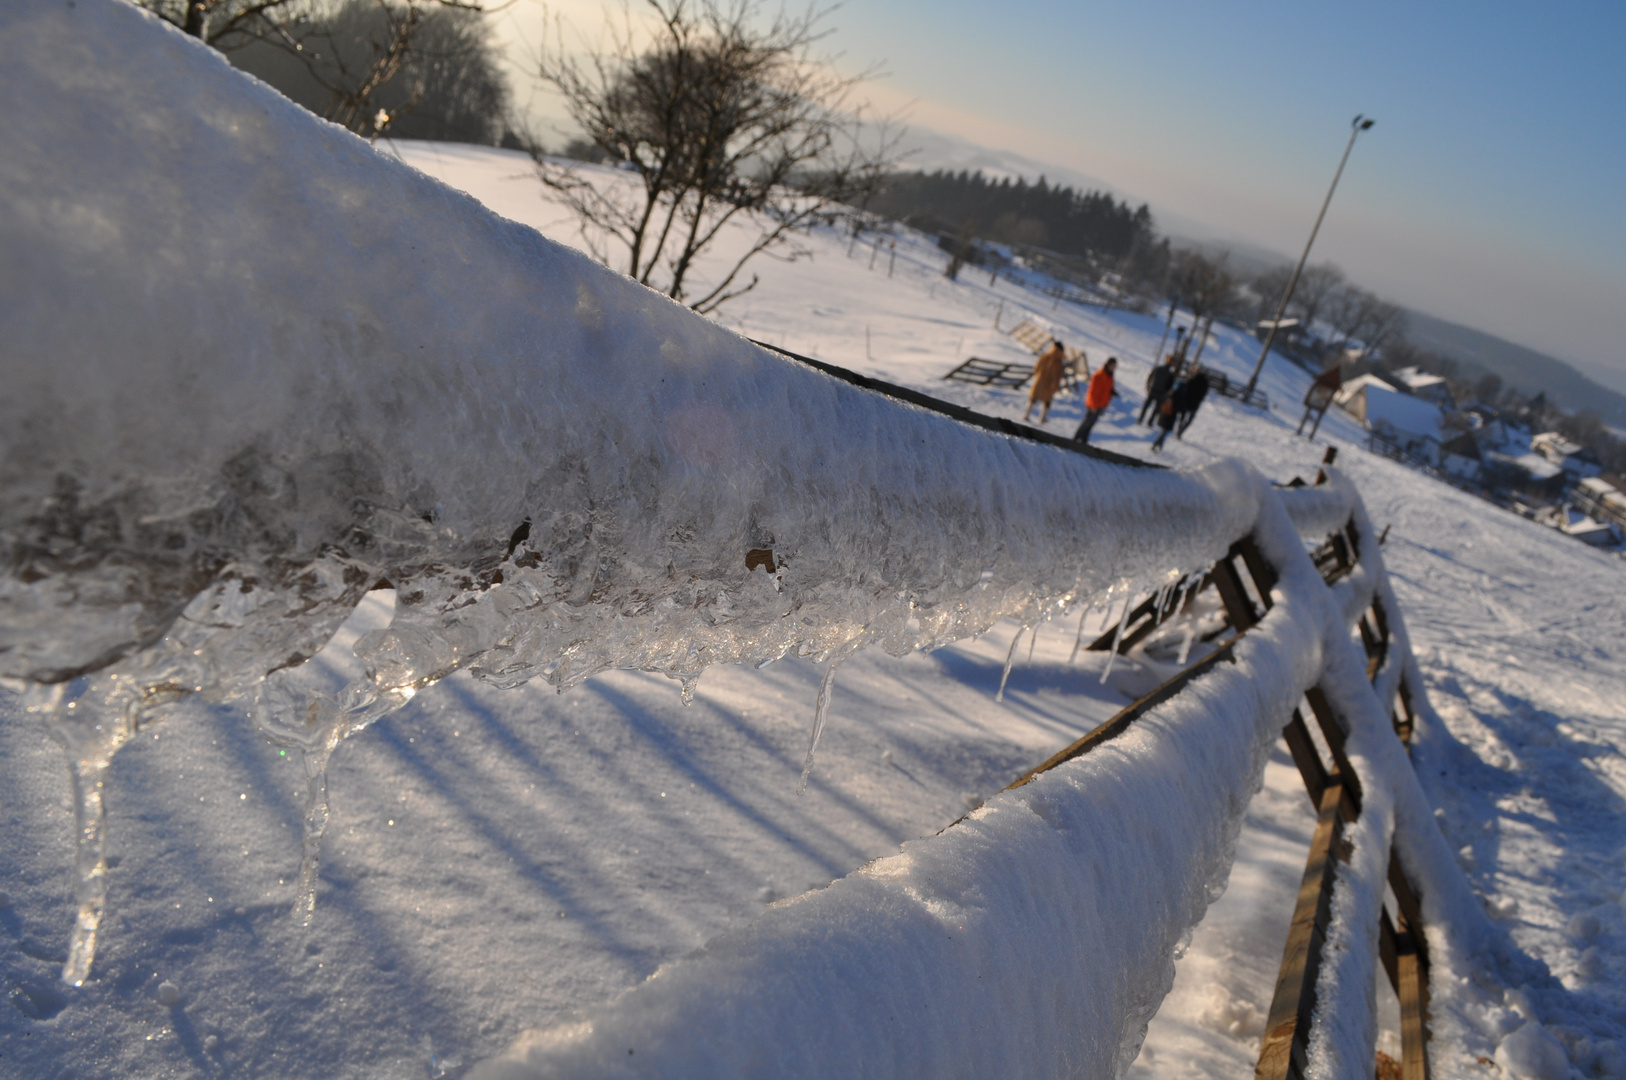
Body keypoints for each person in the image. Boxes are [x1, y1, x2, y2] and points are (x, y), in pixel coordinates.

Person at [1074, 357, 1117, 443]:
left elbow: (1107, 387)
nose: (1114, 368)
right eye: (1113, 365)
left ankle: (1083, 440)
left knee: (1091, 424)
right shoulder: (1099, 375)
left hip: (1101, 404)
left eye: (1115, 366)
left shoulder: (1110, 375)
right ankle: (1076, 439)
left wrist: (1112, 392)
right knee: (1086, 422)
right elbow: (1093, 392)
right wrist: (1093, 405)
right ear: (1108, 364)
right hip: (1093, 404)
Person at [1023, 340, 1067, 423]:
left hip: (1039, 381)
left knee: (1033, 398)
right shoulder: (1059, 362)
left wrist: (1038, 375)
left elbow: (1037, 368)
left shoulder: (1045, 356)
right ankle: (1042, 418)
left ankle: (1026, 415)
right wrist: (1055, 386)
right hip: (1049, 384)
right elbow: (1057, 376)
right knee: (1047, 401)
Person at [1138, 355, 1179, 425]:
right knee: (1156, 409)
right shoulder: (1170, 374)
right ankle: (1150, 422)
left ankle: (1141, 419)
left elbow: (1150, 376)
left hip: (1153, 390)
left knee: (1146, 406)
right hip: (1161, 394)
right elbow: (1170, 386)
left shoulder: (1159, 368)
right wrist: (1166, 394)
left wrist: (1148, 386)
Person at [1174, 368, 1210, 438]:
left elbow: (1187, 388)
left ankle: (1179, 428)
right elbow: (1203, 394)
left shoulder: (1194, 380)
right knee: (1189, 420)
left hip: (1187, 402)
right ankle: (1181, 431)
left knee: (1183, 416)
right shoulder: (1205, 384)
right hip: (1195, 405)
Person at [1150, 385, 1180, 452]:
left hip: (1163, 415)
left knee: (1164, 432)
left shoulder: (1168, 393)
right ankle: (1155, 444)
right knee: (1164, 432)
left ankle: (1160, 445)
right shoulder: (1178, 396)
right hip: (1169, 418)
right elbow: (1177, 408)